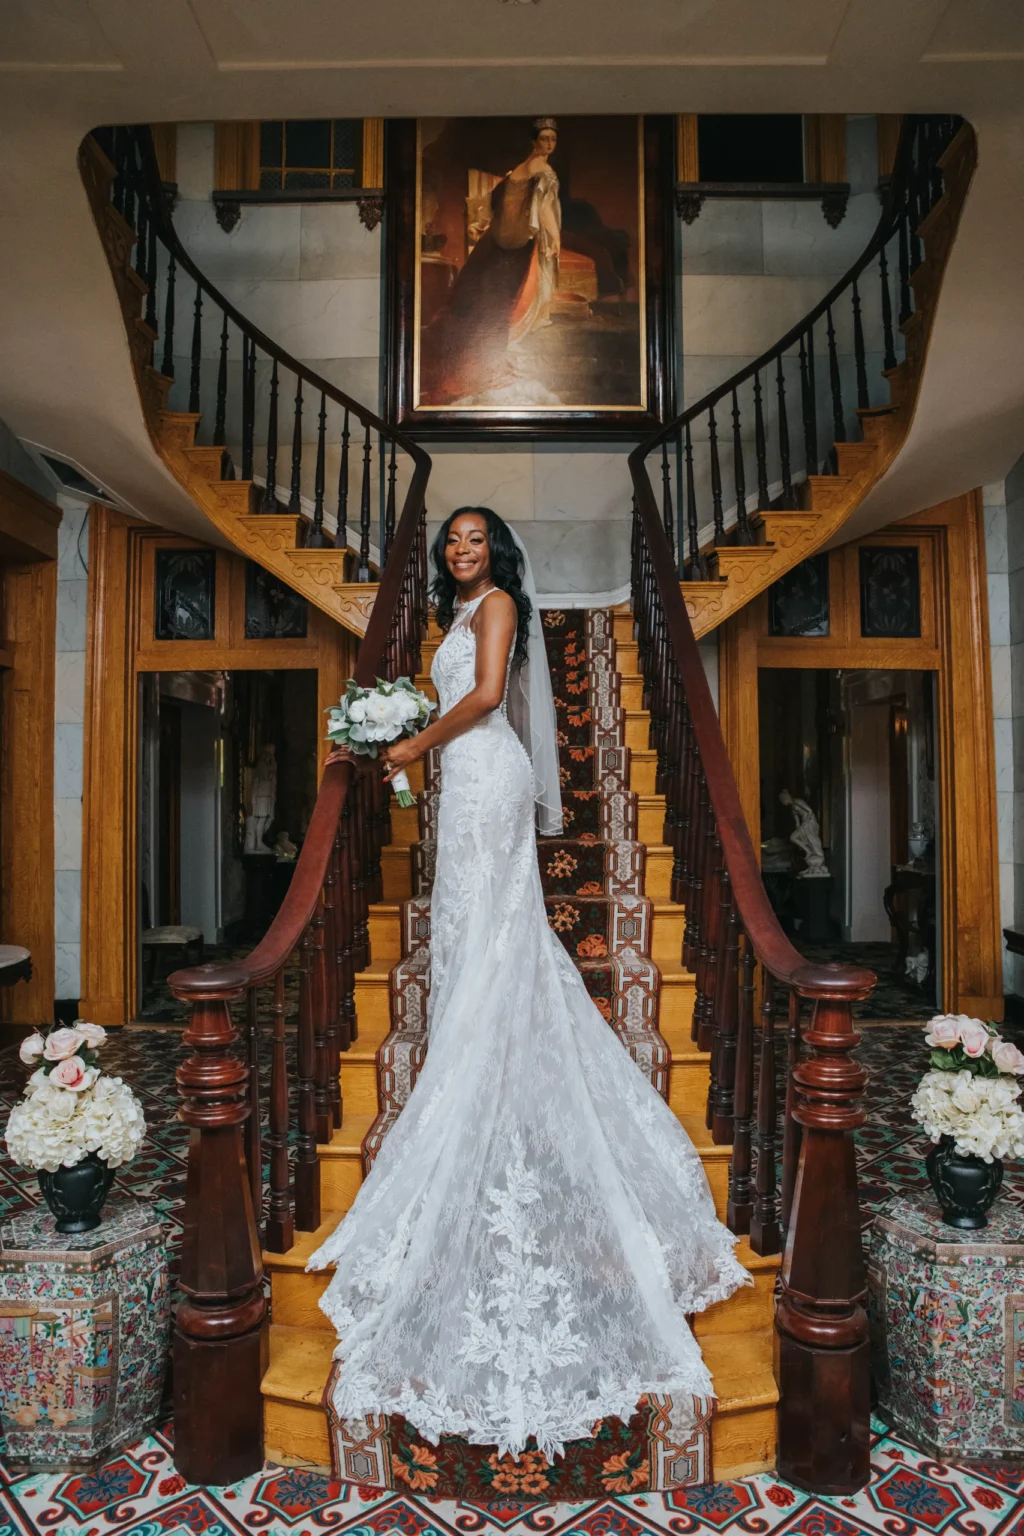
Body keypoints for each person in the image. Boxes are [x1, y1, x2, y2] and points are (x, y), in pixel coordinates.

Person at [309, 506, 747, 1461]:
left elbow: (491, 698)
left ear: (495, 552)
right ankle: (478, 1055)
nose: (462, 551)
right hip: (458, 782)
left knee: (495, 925)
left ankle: (484, 1063)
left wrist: (410, 744)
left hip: (485, 775)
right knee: (470, 930)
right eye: (452, 543)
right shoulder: (450, 619)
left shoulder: (500, 607)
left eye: (474, 539)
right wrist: (409, 743)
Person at [420, 119, 563, 405]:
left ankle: (471, 366)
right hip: (508, 251)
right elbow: (544, 207)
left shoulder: (518, 170)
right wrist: (555, 237)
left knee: (476, 305)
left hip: (493, 249)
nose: (548, 144)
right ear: (535, 142)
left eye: (552, 139)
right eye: (544, 138)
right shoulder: (541, 169)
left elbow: (493, 205)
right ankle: (483, 370)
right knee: (493, 309)